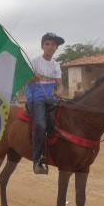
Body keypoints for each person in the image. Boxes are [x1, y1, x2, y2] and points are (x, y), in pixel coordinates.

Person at [24, 32, 65, 175]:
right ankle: (38, 161)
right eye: (47, 43)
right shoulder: (34, 62)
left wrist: (59, 90)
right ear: (42, 46)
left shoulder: (56, 65)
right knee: (41, 125)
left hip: (51, 99)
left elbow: (60, 85)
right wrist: (32, 79)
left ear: (56, 48)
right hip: (37, 99)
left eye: (54, 44)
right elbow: (26, 82)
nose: (51, 46)